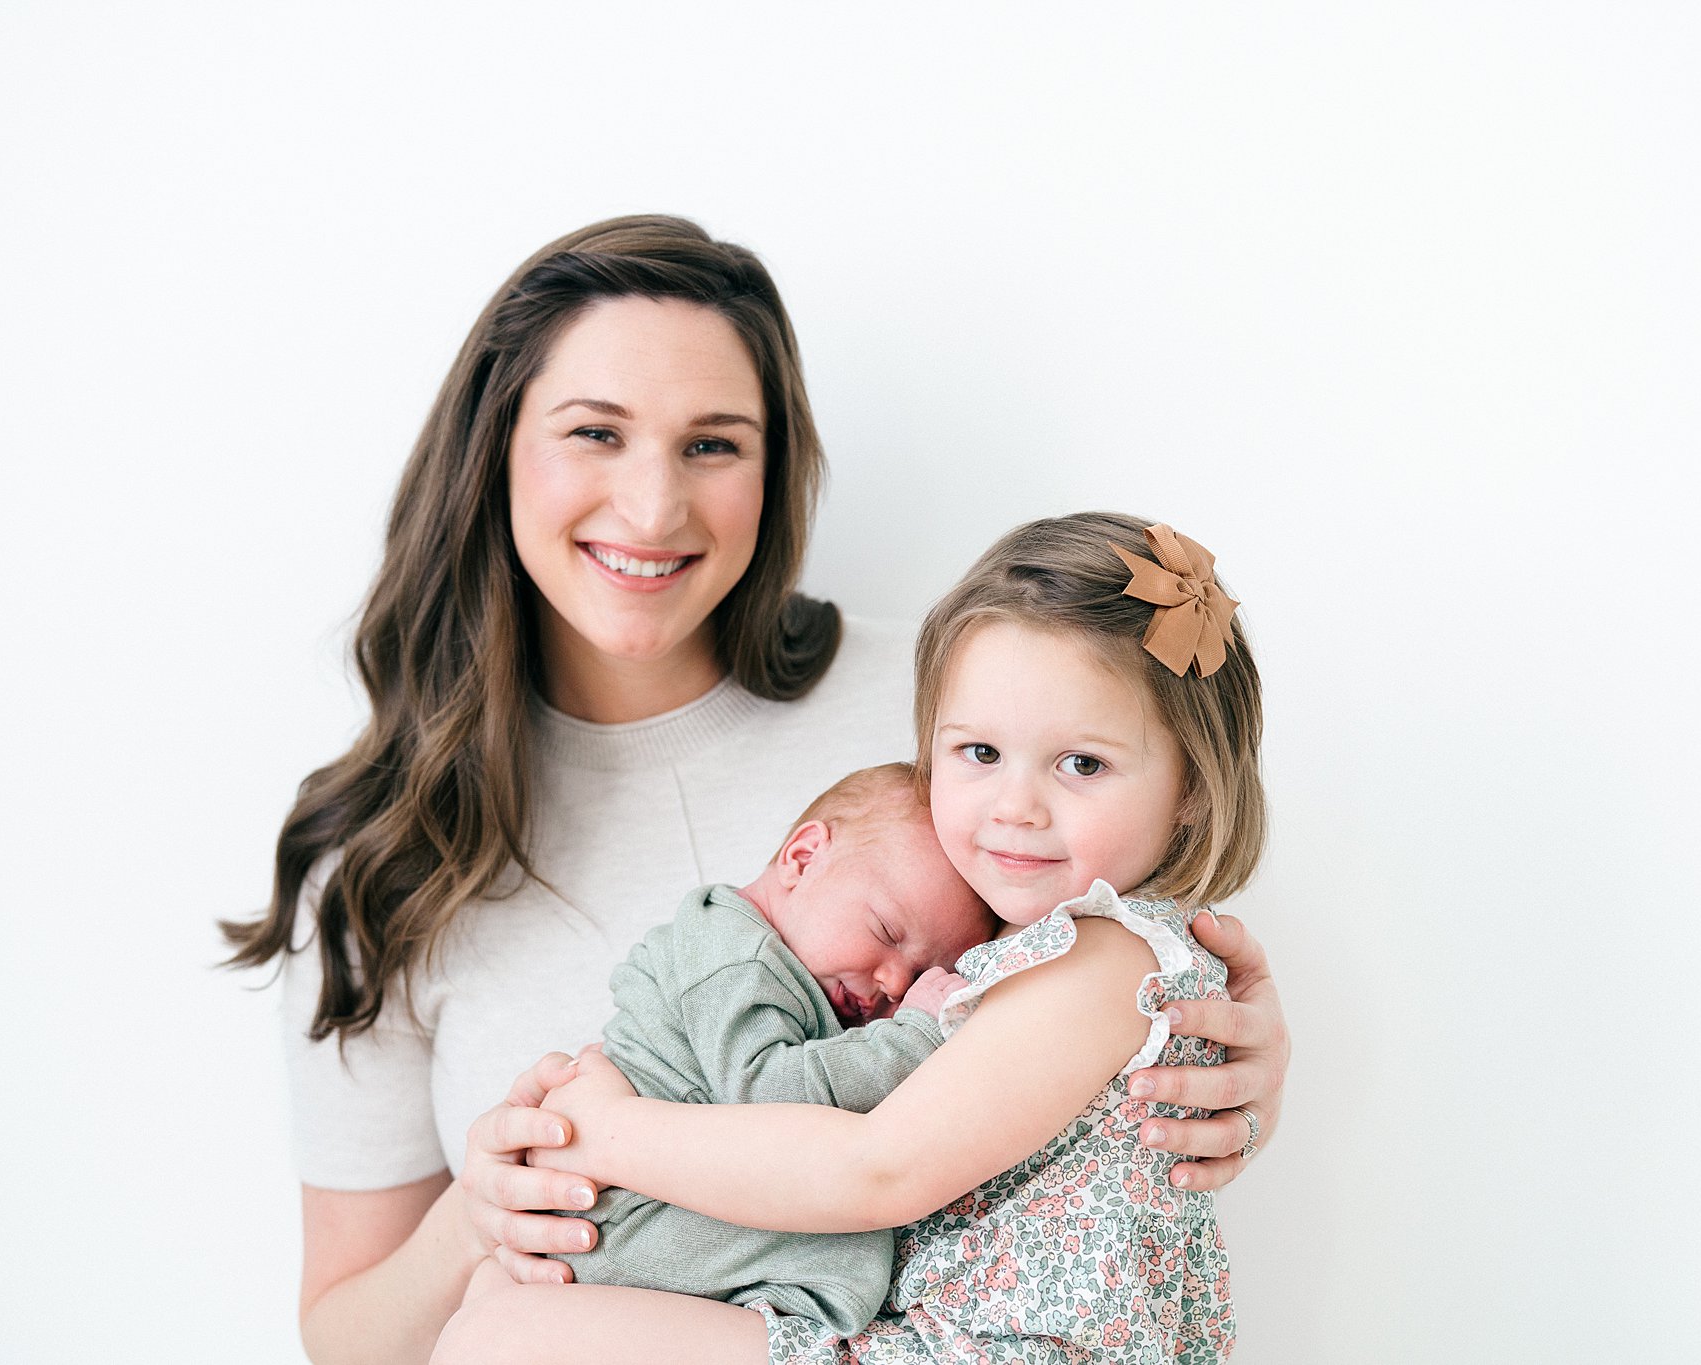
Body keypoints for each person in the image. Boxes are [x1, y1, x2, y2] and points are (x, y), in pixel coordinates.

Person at [221, 216, 1290, 1365]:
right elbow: (347, 1341)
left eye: (712, 445)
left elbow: (1070, 995)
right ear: (495, 451)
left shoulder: (954, 718)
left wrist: (1224, 1055)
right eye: (594, 432)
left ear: (775, 471)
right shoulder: (383, 851)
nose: (650, 508)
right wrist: (485, 1211)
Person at [432, 512, 1263, 1363]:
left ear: (1194, 785)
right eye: (979, 751)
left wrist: (609, 1133)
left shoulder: (1103, 955)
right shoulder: (1008, 948)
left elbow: (878, 1170)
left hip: (991, 1351)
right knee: (501, 1298)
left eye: (1081, 764)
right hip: (917, 1335)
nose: (1015, 805)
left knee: (509, 1333)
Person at [556, 761, 995, 1334]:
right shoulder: (738, 958)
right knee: (849, 1249)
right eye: (886, 933)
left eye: (916, 978)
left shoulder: (780, 963)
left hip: (638, 1210)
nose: (893, 985)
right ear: (803, 858)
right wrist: (911, 1034)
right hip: (625, 1224)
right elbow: (769, 1094)